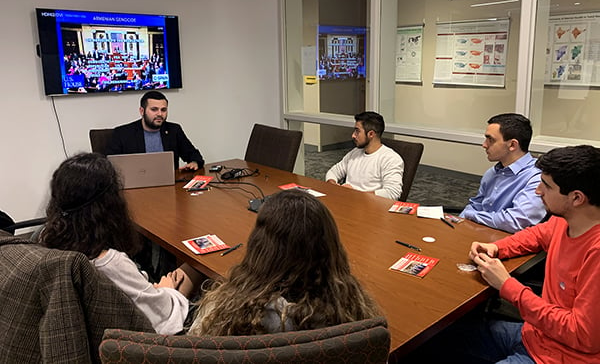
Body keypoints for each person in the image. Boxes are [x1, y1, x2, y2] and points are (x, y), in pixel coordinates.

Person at [39, 153, 204, 335]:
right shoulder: (110, 262)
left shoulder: (46, 240)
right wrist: (166, 290)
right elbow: (163, 318)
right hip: (155, 334)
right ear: (110, 204)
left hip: (111, 322)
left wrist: (148, 288)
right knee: (198, 266)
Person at [467, 145, 600, 363]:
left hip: (564, 357)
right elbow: (536, 236)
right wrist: (498, 248)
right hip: (536, 335)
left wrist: (507, 286)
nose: (538, 191)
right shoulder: (563, 220)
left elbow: (582, 335)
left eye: (546, 186)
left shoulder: (596, 251)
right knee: (441, 338)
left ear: (576, 198)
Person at [188, 189, 380, 336]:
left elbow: (197, 350)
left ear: (261, 249)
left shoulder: (225, 311)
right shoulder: (354, 317)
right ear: (331, 248)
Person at [460, 113, 546, 233]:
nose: (484, 145)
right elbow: (475, 205)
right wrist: (459, 221)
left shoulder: (537, 178)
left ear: (512, 145)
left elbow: (516, 222)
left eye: (491, 139)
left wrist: (472, 215)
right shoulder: (492, 173)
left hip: (508, 242)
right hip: (480, 234)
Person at [106, 90, 204, 170]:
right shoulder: (122, 133)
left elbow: (193, 155)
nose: (160, 114)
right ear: (142, 111)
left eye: (163, 110)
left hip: (169, 185)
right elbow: (108, 165)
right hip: (135, 187)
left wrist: (194, 162)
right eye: (154, 109)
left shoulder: (174, 130)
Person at [325, 111, 404, 200]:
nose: (353, 135)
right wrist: (332, 183)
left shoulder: (390, 159)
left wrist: (356, 194)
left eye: (357, 131)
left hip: (371, 207)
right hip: (349, 202)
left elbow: (392, 193)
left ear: (371, 134)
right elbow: (334, 171)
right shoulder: (355, 153)